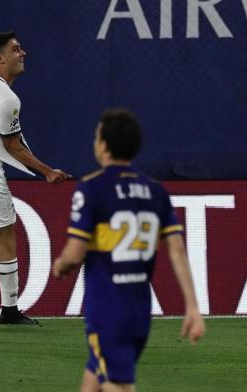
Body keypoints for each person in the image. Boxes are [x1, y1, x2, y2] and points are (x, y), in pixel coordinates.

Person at [53, 109, 205, 392]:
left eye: (97, 135)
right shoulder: (155, 191)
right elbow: (176, 251)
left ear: (104, 145)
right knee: (94, 375)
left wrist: (60, 265)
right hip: (139, 310)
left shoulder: (92, 189)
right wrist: (192, 307)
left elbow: (74, 254)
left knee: (118, 385)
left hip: (107, 308)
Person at [0, 31, 70, 324]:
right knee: (5, 235)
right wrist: (47, 171)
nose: (22, 53)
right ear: (0, 58)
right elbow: (12, 146)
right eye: (15, 50)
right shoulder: (8, 99)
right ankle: (9, 310)